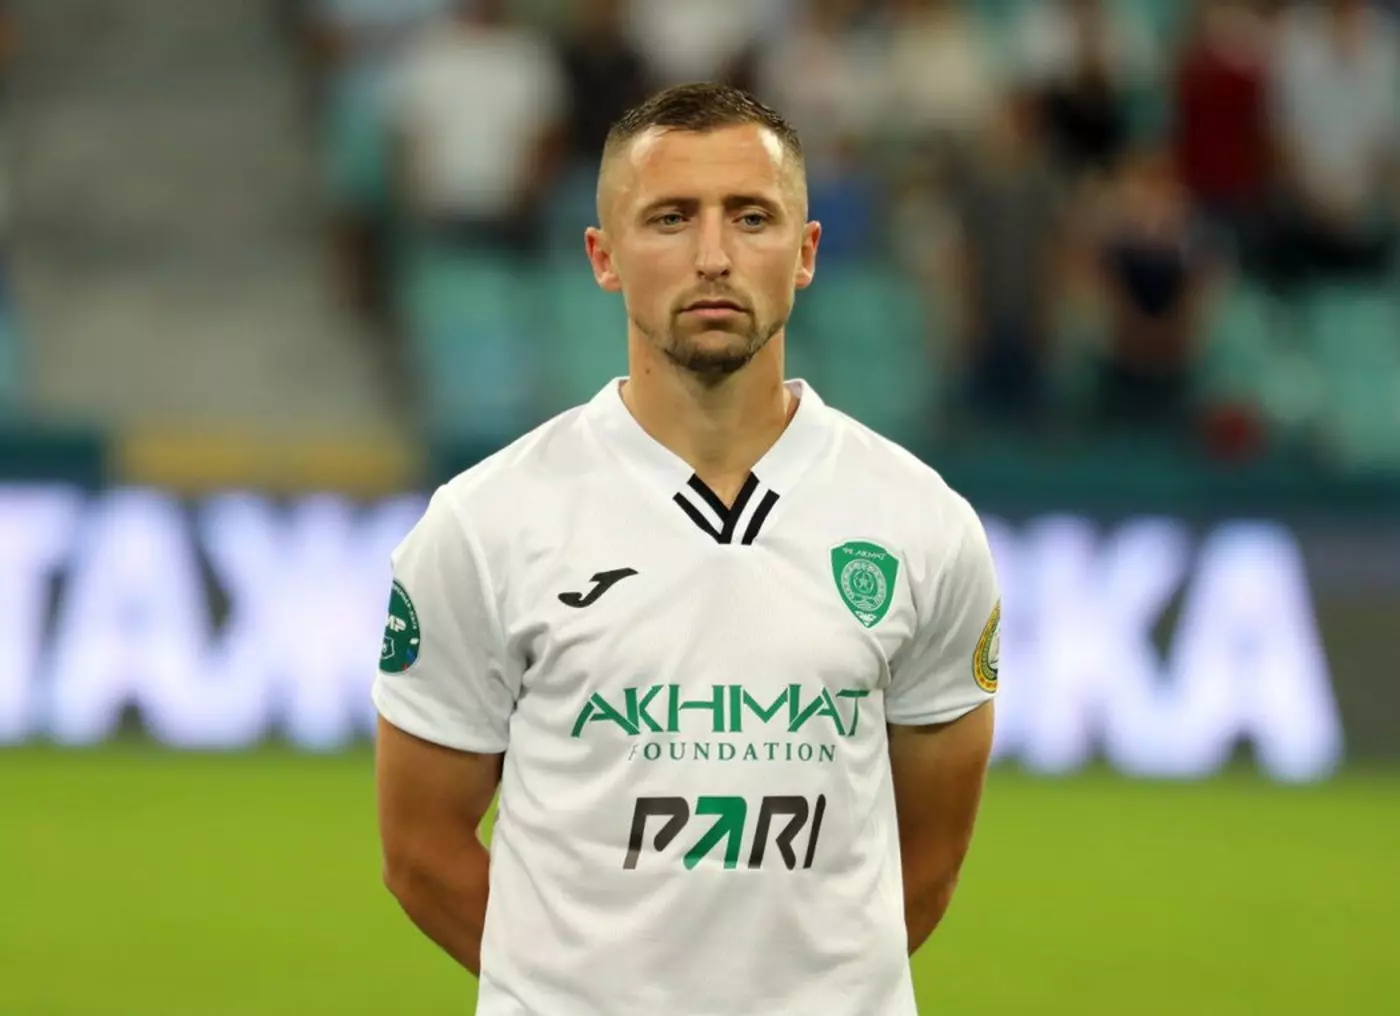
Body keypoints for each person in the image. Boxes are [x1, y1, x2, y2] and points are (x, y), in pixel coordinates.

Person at [372, 84, 1000, 1016]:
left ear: (806, 252)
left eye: (751, 217)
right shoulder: (484, 524)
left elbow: (932, 861)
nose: (713, 255)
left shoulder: (924, 526)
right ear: (604, 257)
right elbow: (420, 853)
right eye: (670, 219)